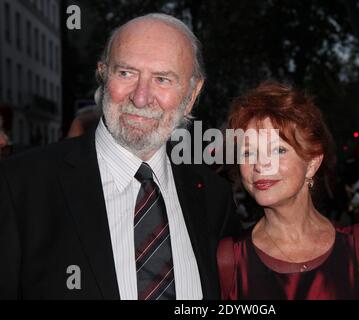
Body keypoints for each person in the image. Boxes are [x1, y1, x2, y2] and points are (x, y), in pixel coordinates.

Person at [0, 13, 240, 300]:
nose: (140, 98)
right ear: (103, 74)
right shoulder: (19, 187)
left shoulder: (214, 198)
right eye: (126, 73)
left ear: (191, 94)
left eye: (162, 79)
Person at [217, 82, 359, 300]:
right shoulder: (229, 259)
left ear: (312, 163)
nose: (260, 165)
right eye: (249, 153)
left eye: (278, 150)